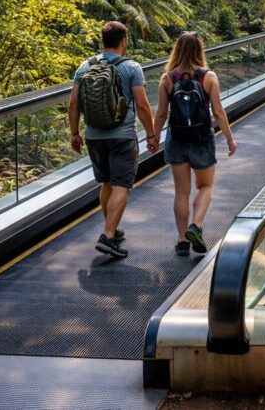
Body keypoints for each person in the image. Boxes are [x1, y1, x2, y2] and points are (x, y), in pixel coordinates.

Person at [69, 21, 159, 259]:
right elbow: (142, 104)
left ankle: (112, 228)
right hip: (122, 136)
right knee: (121, 184)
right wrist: (151, 134)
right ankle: (108, 236)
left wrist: (74, 133)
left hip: (94, 136)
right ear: (123, 41)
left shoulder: (84, 67)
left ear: (103, 40)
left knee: (106, 182)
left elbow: (73, 104)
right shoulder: (131, 67)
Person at [153, 32, 236, 256]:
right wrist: (229, 137)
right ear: (200, 49)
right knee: (205, 187)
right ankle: (196, 225)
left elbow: (161, 114)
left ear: (176, 49)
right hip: (202, 139)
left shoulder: (167, 78)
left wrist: (153, 137)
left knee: (181, 192)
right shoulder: (209, 77)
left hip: (176, 139)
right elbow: (218, 112)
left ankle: (182, 242)